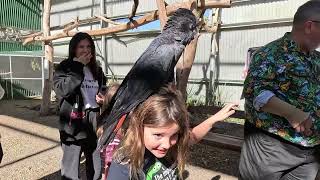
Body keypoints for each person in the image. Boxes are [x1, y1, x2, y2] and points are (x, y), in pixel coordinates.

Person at [240, 1, 320, 179]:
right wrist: (291, 113)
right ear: (309, 26)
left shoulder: (316, 58)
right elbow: (254, 92)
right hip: (271, 148)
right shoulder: (271, 53)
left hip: (310, 150)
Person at [106, 85, 238, 180]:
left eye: (174, 135)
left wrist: (213, 119)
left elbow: (193, 136)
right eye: (158, 135)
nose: (167, 144)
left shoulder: (171, 146)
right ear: (139, 127)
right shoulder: (124, 164)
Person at [53, 32, 106, 180]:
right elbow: (62, 89)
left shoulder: (97, 69)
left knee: (95, 164)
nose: (85, 49)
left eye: (89, 46)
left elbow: (103, 87)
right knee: (71, 166)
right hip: (74, 120)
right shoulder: (64, 67)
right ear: (74, 49)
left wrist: (103, 96)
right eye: (81, 46)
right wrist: (78, 66)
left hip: (94, 118)